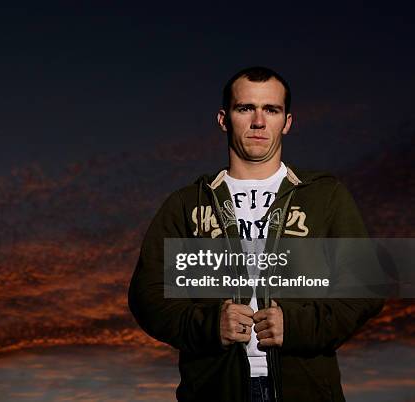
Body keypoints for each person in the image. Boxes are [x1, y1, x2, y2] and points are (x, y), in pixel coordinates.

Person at [128, 66, 384, 402]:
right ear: (224, 119)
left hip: (305, 390)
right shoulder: (187, 203)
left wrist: (295, 326)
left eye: (272, 110)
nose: (259, 121)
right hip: (213, 390)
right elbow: (147, 296)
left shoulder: (325, 197)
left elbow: (366, 289)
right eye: (245, 108)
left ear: (287, 122)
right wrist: (207, 326)